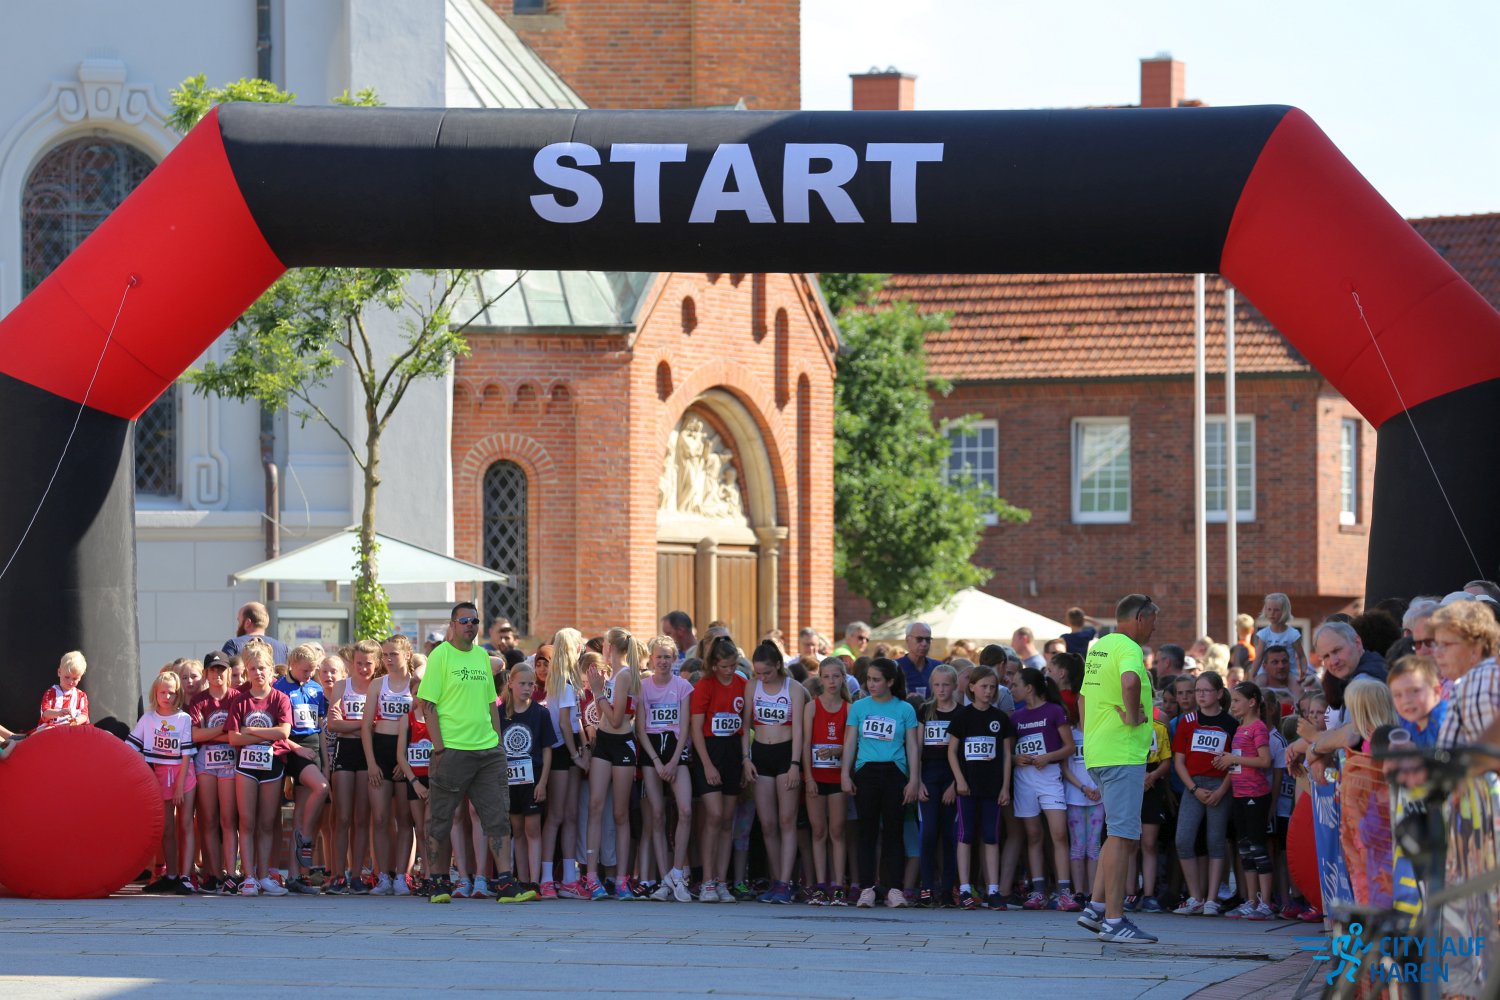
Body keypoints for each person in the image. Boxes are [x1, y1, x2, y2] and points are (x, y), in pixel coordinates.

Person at [421, 602, 533, 904]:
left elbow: (490, 704)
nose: (470, 625)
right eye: (464, 620)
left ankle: (506, 882)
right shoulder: (441, 655)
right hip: (453, 749)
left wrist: (498, 744)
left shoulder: (483, 656)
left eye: (475, 620)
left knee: (498, 818)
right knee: (441, 818)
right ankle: (438, 881)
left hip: (487, 751)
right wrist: (440, 748)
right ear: (453, 624)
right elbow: (427, 704)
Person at [842, 657, 920, 908]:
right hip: (866, 773)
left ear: (890, 682)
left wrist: (914, 779)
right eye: (868, 679)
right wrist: (845, 774)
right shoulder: (859, 707)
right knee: (867, 832)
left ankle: (894, 889)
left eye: (876, 680)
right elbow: (850, 743)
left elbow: (912, 746)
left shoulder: (905, 709)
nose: (870, 684)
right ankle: (867, 888)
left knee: (894, 833)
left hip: (895, 773)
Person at [225, 640, 293, 896]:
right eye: (253, 668)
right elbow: (233, 738)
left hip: (272, 766)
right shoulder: (240, 701)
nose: (258, 673)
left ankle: (264, 875)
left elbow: (283, 732)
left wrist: (251, 731)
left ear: (271, 670)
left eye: (262, 667)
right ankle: (249, 876)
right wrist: (265, 734)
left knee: (266, 823)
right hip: (246, 767)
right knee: (247, 822)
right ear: (247, 672)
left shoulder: (280, 698)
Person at [741, 638, 806, 904]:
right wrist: (746, 758)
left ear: (778, 665)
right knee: (767, 824)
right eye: (758, 672)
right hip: (761, 754)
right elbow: (745, 726)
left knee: (787, 821)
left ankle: (785, 882)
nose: (762, 677)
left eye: (767, 672)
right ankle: (777, 880)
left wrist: (795, 764)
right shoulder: (752, 686)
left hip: (786, 753)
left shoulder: (794, 689)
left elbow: (799, 730)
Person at [945, 664, 1014, 909]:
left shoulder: (1000, 718)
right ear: (972, 687)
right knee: (965, 836)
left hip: (992, 787)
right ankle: (965, 888)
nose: (988, 691)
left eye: (992, 687)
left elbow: (1007, 755)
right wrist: (959, 780)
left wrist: (1005, 787)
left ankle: (993, 889)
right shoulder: (962, 717)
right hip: (968, 787)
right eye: (983, 686)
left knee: (991, 836)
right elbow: (951, 751)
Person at [583, 627, 644, 901]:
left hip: (621, 743)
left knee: (620, 813)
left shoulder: (625, 675)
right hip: (604, 742)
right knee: (595, 807)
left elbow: (618, 719)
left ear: (611, 647)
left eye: (605, 644)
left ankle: (621, 878)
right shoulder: (612, 674)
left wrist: (598, 692)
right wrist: (599, 690)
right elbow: (603, 715)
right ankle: (592, 876)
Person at [1008, 666, 1075, 910]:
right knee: (1034, 834)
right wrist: (1016, 758)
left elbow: (1069, 747)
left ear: (1029, 688)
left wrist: (1048, 757)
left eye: (1016, 684)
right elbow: (1008, 753)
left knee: (1059, 833)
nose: (1012, 689)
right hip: (1024, 779)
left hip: (1049, 776)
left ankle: (1064, 892)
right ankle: (1038, 892)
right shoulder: (1015, 717)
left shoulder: (1054, 711)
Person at [1171, 671, 1237, 917]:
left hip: (1220, 786)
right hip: (1194, 786)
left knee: (1216, 841)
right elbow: (1179, 761)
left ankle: (1212, 899)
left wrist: (1221, 790)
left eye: (1205, 691)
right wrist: (1194, 789)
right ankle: (1195, 897)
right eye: (1197, 691)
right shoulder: (1187, 720)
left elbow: (1235, 763)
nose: (1200, 695)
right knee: (1183, 839)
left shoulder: (1231, 724)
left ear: (1219, 693)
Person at [690, 634, 749, 903]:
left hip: (733, 752)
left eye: (733, 665)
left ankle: (722, 881)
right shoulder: (705, 685)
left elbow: (744, 725)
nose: (729, 670)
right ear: (714, 665)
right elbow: (696, 729)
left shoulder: (742, 683)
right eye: (724, 666)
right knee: (713, 816)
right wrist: (706, 765)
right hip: (710, 751)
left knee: (727, 820)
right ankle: (707, 881)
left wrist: (745, 760)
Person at [129, 668, 198, 895]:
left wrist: (179, 786)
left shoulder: (183, 718)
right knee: (167, 828)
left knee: (185, 825)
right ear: (155, 693)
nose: (167, 697)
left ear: (178, 694)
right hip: (160, 776)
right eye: (163, 692)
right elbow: (130, 746)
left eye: (171, 692)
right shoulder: (148, 719)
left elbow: (186, 755)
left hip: (183, 775)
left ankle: (186, 877)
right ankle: (171, 875)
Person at [637, 634, 695, 902]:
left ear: (674, 659)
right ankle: (664, 879)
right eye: (659, 656)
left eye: (667, 657)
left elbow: (685, 726)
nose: (663, 661)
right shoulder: (642, 686)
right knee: (657, 815)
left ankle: (678, 873)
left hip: (675, 749)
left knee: (685, 810)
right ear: (651, 659)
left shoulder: (683, 686)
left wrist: (672, 761)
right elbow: (640, 728)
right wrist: (658, 762)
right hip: (652, 751)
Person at [271, 642, 330, 894]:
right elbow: (276, 728)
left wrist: (325, 762)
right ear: (292, 665)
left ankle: (295, 876)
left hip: (313, 746)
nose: (309, 675)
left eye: (312, 670)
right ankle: (305, 835)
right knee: (321, 787)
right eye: (305, 670)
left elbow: (321, 727)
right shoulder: (279, 688)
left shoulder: (316, 688)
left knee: (301, 812)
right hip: (292, 747)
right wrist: (296, 748)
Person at [361, 634, 417, 896]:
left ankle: (402, 876)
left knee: (405, 819)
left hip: (406, 753)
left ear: (407, 655)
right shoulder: (377, 684)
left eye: (393, 654)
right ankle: (383, 875)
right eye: (385, 655)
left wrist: (405, 761)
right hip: (381, 750)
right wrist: (371, 763)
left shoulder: (417, 683)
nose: (388, 659)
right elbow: (365, 727)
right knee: (381, 817)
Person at [1217, 681, 1275, 919]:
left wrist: (1233, 759)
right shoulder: (1241, 728)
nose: (1233, 705)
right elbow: (1239, 760)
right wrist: (1226, 760)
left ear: (1252, 702)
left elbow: (1265, 760)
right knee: (1245, 850)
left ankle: (1266, 903)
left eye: (1237, 701)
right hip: (1239, 794)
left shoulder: (1258, 727)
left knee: (1258, 848)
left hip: (1255, 795)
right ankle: (1251, 900)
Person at [325, 640, 376, 895]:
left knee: (362, 818)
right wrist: (364, 725)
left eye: (368, 664)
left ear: (376, 664)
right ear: (352, 663)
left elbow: (378, 726)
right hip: (345, 751)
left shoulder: (378, 687)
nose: (363, 668)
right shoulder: (342, 686)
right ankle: (337, 874)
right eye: (359, 663)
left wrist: (352, 725)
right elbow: (334, 725)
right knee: (342, 817)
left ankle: (356, 875)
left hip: (368, 754)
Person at [538, 628, 586, 899]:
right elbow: (566, 724)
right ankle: (547, 878)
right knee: (557, 816)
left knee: (569, 815)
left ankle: (568, 877)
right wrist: (576, 755)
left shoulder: (563, 679)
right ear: (575, 648)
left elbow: (574, 720)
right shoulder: (564, 681)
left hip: (567, 748)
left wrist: (582, 748)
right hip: (561, 749)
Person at [501, 662, 555, 892]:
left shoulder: (540, 713)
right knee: (517, 830)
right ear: (510, 683)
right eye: (522, 683)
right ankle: (522, 880)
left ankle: (535, 881)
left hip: (533, 779)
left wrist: (543, 782)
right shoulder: (500, 714)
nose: (526, 688)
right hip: (509, 781)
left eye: (530, 684)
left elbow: (547, 749)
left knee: (533, 829)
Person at [189, 651, 239, 894]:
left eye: (222, 669)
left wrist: (214, 734)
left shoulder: (237, 698)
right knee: (208, 819)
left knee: (228, 819)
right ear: (206, 673)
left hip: (230, 760)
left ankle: (232, 873)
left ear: (228, 672)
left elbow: (238, 734)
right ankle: (215, 874)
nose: (217, 674)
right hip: (205, 761)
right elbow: (195, 735)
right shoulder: (198, 700)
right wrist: (223, 729)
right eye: (213, 669)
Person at [805, 656, 851, 906]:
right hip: (816, 776)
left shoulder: (849, 708)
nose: (831, 681)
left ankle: (838, 885)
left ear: (843, 678)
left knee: (837, 831)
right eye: (826, 677)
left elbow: (853, 746)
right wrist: (808, 777)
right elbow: (805, 744)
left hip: (837, 778)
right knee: (818, 831)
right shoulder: (812, 707)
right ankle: (821, 885)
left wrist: (838, 750)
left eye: (836, 676)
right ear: (820, 679)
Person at [916, 663, 963, 907]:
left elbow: (963, 754)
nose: (941, 689)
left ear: (955, 686)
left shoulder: (962, 713)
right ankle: (926, 887)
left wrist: (955, 784)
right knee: (928, 833)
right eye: (937, 685)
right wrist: (917, 781)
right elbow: (917, 748)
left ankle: (947, 890)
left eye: (946, 685)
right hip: (928, 776)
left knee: (949, 835)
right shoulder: (925, 710)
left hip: (952, 777)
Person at [1388, 654, 1448, 747]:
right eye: (1397, 695)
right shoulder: (1408, 723)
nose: (1406, 700)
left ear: (1436, 691)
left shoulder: (1444, 720)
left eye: (1415, 691)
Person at [222, 601, 289, 666]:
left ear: (247, 623)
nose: (238, 626)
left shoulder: (233, 645)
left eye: (239, 621)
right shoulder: (283, 648)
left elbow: (225, 672)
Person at [37, 650, 89, 730]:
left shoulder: (81, 696)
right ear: (59, 672)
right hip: (52, 727)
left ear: (80, 678)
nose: (70, 682)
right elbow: (45, 713)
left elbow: (84, 715)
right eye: (67, 677)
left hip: (72, 727)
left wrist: (76, 721)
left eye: (75, 678)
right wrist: (59, 713)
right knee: (43, 731)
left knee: (92, 732)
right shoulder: (50, 693)